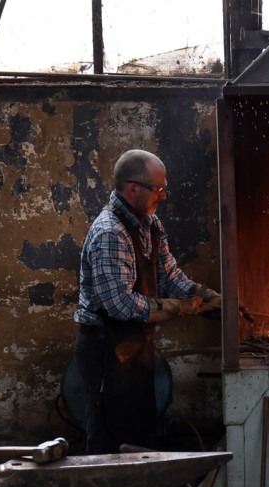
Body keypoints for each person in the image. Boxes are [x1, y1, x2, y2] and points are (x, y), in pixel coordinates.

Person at [74, 149, 221, 455]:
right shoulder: (110, 232)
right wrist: (180, 309)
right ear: (133, 189)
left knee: (138, 432)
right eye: (159, 189)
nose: (163, 196)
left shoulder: (149, 224)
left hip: (135, 347)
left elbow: (169, 277)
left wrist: (207, 296)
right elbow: (121, 306)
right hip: (105, 349)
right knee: (109, 439)